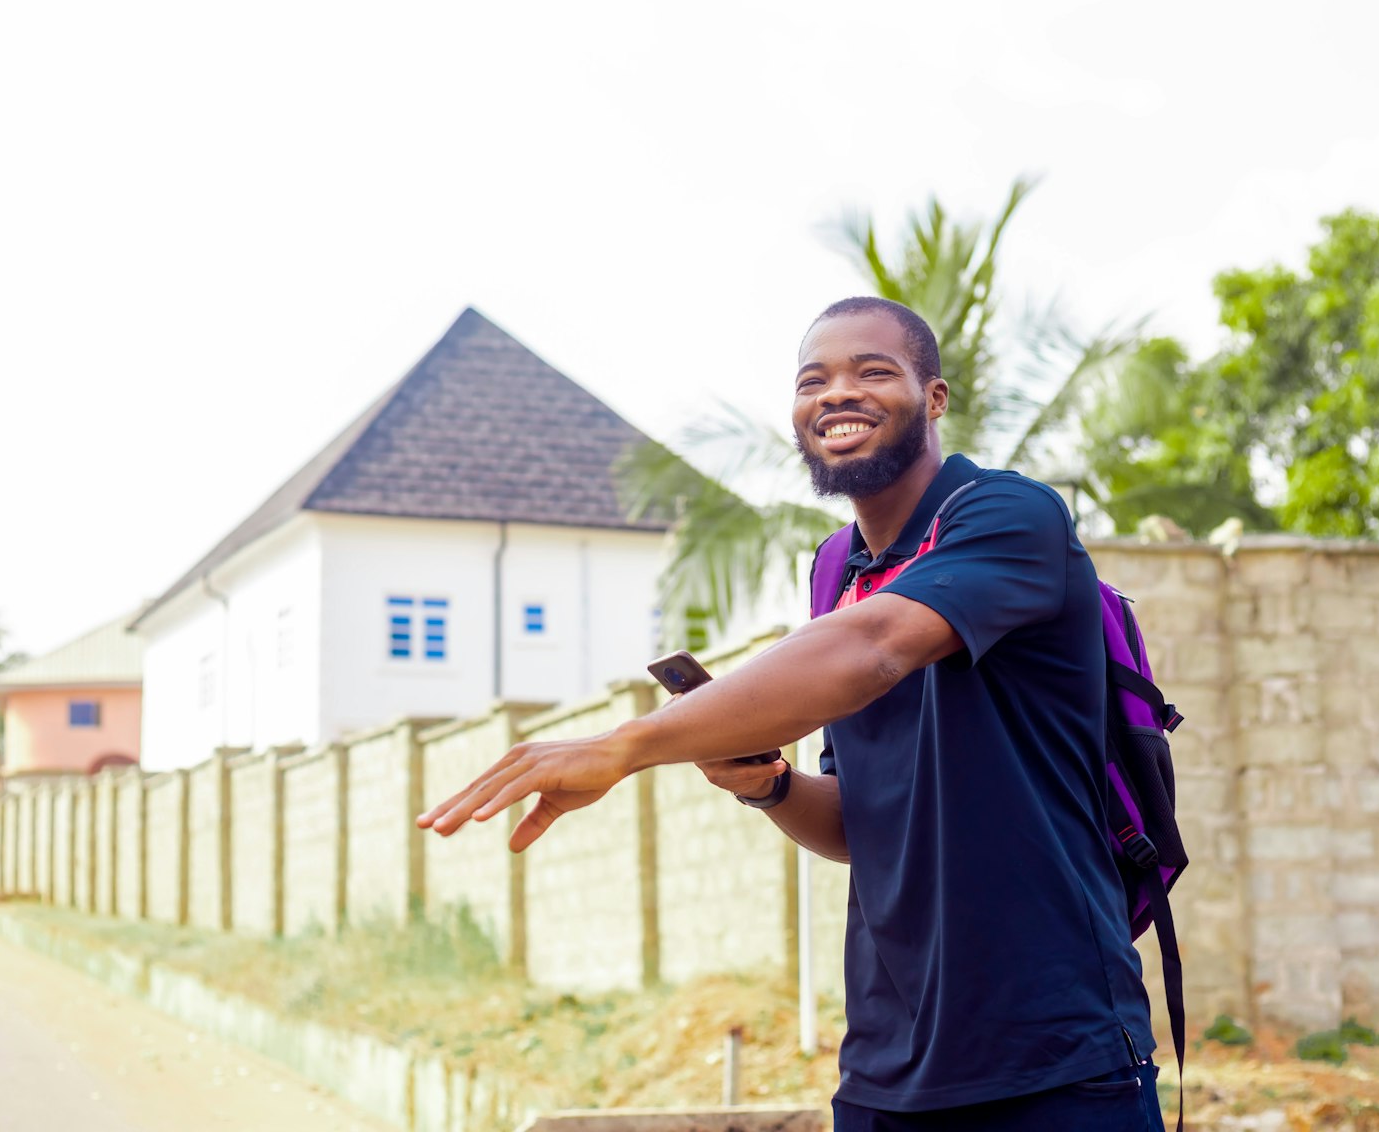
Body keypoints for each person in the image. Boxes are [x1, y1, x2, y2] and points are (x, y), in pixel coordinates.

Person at [420, 296, 1164, 1131]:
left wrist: (625, 745)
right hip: (888, 1067)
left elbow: (874, 647)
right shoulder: (835, 569)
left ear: (936, 397)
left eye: (873, 371)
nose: (837, 393)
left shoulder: (1011, 515)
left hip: (1054, 1057)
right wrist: (769, 786)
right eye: (814, 380)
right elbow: (857, 823)